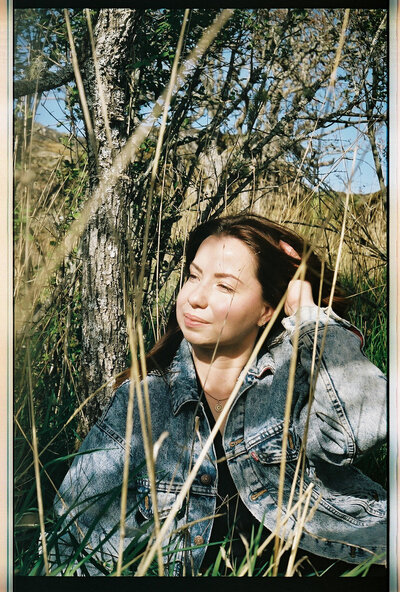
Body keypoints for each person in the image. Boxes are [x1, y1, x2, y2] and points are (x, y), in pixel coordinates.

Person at [52, 214, 387, 576]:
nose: (195, 297)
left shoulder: (294, 381)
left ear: (266, 310)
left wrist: (308, 318)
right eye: (194, 276)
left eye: (224, 286)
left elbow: (365, 425)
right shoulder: (145, 401)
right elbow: (74, 533)